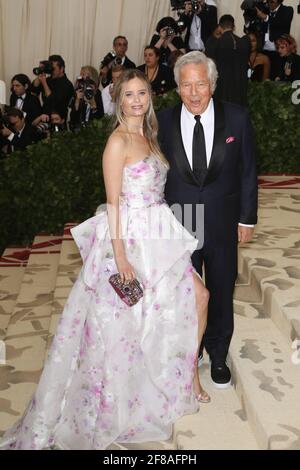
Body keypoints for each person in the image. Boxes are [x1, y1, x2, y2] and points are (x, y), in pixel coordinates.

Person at [0, 69, 210, 451]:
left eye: (141, 93)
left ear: (149, 96)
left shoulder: (148, 134)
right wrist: (121, 256)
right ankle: (117, 403)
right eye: (128, 94)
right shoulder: (116, 142)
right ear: (118, 99)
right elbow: (113, 203)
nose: (135, 100)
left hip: (158, 230)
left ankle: (180, 374)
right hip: (129, 237)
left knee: (195, 297)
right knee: (120, 328)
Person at [157, 51, 258, 389]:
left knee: (220, 287)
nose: (195, 92)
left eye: (201, 83)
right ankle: (191, 348)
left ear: (213, 84)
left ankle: (217, 353)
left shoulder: (238, 118)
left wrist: (247, 219)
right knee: (184, 291)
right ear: (177, 88)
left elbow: (247, 172)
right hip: (180, 220)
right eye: (187, 85)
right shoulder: (163, 121)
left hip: (222, 219)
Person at [206, 15, 251, 106]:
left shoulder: (215, 43)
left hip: (222, 86)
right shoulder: (244, 42)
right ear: (233, 26)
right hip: (240, 84)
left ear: (219, 27)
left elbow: (210, 62)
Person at [32, 55, 74, 119]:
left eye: (53, 68)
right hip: (44, 116)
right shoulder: (48, 80)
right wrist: (40, 71)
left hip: (58, 119)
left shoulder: (67, 84)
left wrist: (44, 83)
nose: (51, 71)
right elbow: (33, 90)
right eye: (50, 68)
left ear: (62, 69)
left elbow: (54, 101)